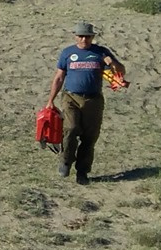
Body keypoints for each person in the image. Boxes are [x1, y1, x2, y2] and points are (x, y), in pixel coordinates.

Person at [45, 23, 125, 184]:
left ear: (92, 37)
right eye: (81, 36)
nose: (84, 39)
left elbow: (120, 72)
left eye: (87, 36)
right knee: (71, 128)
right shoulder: (68, 53)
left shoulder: (101, 52)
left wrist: (111, 63)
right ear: (75, 36)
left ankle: (82, 172)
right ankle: (65, 161)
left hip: (93, 100)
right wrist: (50, 100)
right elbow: (59, 77)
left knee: (89, 137)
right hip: (71, 97)